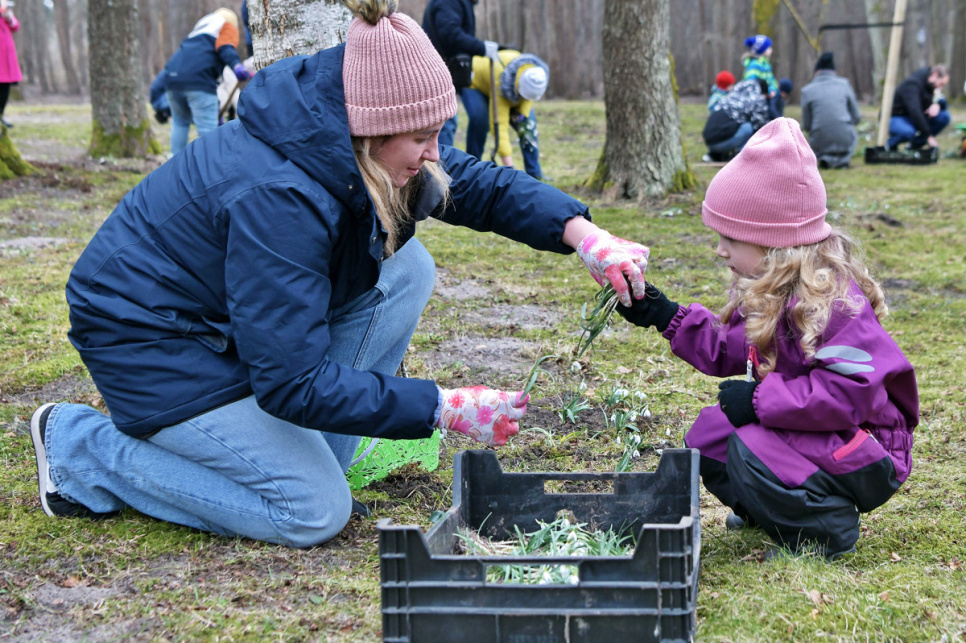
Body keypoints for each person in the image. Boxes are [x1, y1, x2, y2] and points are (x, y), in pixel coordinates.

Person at [29, 0, 650, 549]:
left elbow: (476, 184)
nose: (435, 152)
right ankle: (80, 448)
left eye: (438, 133)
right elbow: (290, 380)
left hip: (222, 320)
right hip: (149, 338)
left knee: (406, 268)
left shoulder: (359, 138)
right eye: (422, 138)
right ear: (371, 132)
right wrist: (440, 406)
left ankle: (302, 452)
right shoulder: (280, 196)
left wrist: (583, 235)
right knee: (312, 510)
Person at [618, 118, 918, 560]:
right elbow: (732, 345)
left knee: (749, 443)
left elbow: (847, 393)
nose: (720, 250)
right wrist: (665, 316)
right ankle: (773, 511)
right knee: (711, 435)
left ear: (774, 243)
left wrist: (759, 402)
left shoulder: (835, 306)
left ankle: (824, 530)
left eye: (731, 239)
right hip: (823, 432)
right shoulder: (774, 291)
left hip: (868, 445)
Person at [163, 8, 251, 156]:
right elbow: (225, 47)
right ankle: (211, 169)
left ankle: (173, 165)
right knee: (207, 131)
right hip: (198, 82)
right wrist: (236, 66)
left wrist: (215, 107)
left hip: (172, 79)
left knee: (179, 122)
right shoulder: (226, 25)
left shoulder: (198, 31)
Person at [421, 0, 499, 148]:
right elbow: (450, 34)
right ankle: (442, 168)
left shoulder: (463, 4)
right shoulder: (449, 2)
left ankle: (472, 163)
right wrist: (481, 48)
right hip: (439, 70)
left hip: (460, 71)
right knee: (445, 124)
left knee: (479, 117)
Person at [463, 49, 548, 179]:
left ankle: (535, 172)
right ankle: (471, 170)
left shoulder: (535, 75)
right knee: (480, 120)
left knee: (528, 125)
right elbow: (499, 127)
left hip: (506, 86)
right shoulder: (502, 80)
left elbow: (525, 106)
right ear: (518, 87)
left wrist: (522, 120)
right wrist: (510, 170)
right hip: (475, 82)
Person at [800, 52, 861, 169]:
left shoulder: (807, 91)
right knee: (849, 133)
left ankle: (826, 159)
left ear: (816, 72)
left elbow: (807, 125)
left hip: (819, 140)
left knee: (817, 136)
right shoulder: (844, 85)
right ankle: (842, 160)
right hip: (845, 138)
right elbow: (856, 117)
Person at [701, 78, 769, 162]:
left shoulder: (731, 95)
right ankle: (741, 157)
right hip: (722, 143)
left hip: (709, 142)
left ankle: (714, 155)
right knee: (749, 127)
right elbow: (762, 126)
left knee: (733, 124)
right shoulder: (757, 99)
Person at [887, 63, 950, 152]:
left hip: (913, 118)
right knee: (908, 132)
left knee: (944, 117)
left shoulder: (931, 84)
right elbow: (915, 111)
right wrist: (928, 136)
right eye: (941, 84)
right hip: (896, 117)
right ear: (935, 75)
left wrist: (937, 105)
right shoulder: (913, 84)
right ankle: (889, 145)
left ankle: (915, 145)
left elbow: (943, 101)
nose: (940, 87)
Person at [742, 34, 778, 113]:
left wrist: (773, 90)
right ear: (762, 49)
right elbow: (751, 83)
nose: (771, 49)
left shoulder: (765, 64)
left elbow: (771, 81)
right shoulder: (754, 65)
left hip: (769, 97)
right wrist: (767, 92)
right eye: (769, 47)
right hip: (759, 99)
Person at [0, 0, 22, 129]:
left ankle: (1, 115)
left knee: (4, 91)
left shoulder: (5, 18)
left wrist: (9, 16)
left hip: (6, 61)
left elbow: (15, 27)